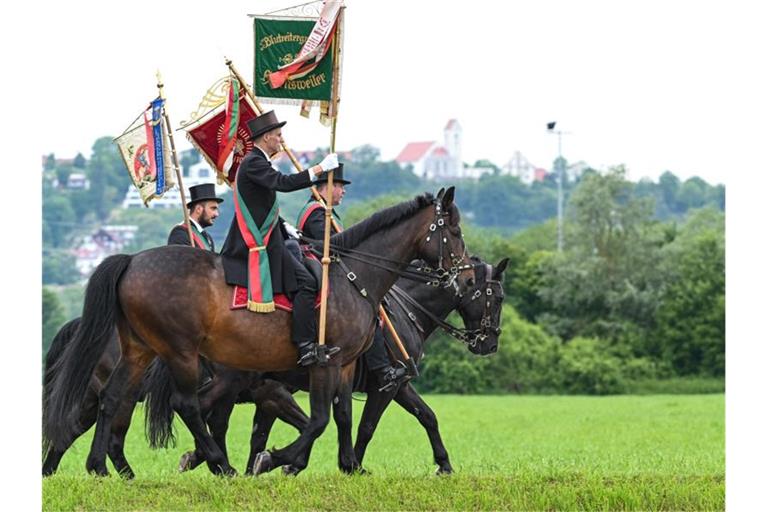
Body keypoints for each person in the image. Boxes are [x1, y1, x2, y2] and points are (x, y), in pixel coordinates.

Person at [220, 110, 340, 367]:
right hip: (259, 242)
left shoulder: (257, 161)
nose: (281, 140)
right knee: (307, 281)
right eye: (278, 135)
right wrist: (318, 168)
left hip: (274, 235)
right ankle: (305, 345)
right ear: (265, 138)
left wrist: (286, 227)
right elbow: (283, 184)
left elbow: (263, 206)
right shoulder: (254, 162)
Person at [297, 166, 409, 392]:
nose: (343, 191)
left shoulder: (326, 211)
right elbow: (329, 247)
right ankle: (379, 368)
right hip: (318, 271)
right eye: (339, 186)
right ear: (324, 188)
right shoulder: (316, 212)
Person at [167, 183, 222, 250]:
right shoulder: (180, 233)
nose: (216, 214)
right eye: (213, 208)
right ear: (198, 209)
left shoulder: (208, 238)